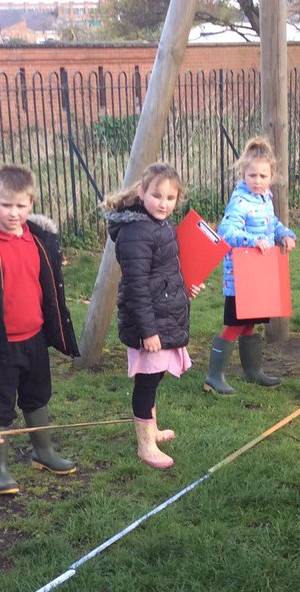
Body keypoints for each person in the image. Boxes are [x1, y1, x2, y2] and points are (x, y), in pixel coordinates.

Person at [0, 164, 80, 496]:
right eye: (6, 205)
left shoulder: (41, 241)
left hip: (34, 338)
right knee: (0, 406)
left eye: (21, 206)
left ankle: (43, 451)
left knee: (37, 396)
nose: (14, 213)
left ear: (31, 203)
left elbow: (51, 288)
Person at [103, 162, 203, 469]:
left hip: (162, 315)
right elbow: (136, 287)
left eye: (170, 198)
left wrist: (186, 288)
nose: (164, 203)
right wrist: (148, 332)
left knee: (154, 378)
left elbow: (163, 273)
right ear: (142, 192)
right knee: (146, 382)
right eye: (157, 195)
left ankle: (152, 429)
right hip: (148, 322)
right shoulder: (136, 233)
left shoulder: (161, 225)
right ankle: (145, 444)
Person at [203, 136, 296, 395]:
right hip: (240, 278)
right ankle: (214, 375)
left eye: (263, 176)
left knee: (250, 323)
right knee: (235, 323)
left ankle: (252, 371)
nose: (257, 180)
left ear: (272, 177)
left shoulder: (265, 199)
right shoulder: (240, 200)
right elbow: (226, 231)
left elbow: (273, 224)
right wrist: (252, 240)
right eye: (252, 175)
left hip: (259, 274)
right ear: (243, 174)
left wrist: (286, 235)